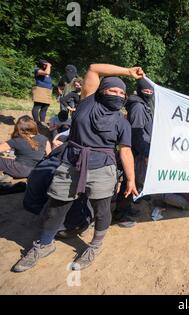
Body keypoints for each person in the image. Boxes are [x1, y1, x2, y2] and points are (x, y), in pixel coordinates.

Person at [13, 64, 143, 273]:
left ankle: (95, 246)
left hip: (103, 168)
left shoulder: (122, 122)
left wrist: (130, 180)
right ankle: (45, 245)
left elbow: (125, 151)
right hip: (71, 162)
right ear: (101, 90)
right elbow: (93, 68)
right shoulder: (87, 102)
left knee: (101, 210)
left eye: (121, 92)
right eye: (113, 90)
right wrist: (128, 72)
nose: (118, 95)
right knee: (57, 206)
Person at [114, 78, 154, 228]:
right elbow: (136, 132)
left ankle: (126, 208)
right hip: (137, 151)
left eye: (151, 91)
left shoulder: (144, 104)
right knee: (130, 181)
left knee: (133, 181)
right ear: (140, 89)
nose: (149, 93)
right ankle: (121, 213)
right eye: (146, 90)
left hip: (140, 149)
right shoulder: (138, 106)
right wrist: (144, 154)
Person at [0, 116, 51, 181]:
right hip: (36, 170)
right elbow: (49, 155)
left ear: (18, 127)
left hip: (20, 170)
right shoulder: (44, 138)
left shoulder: (16, 140)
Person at [32, 60, 53, 127]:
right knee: (37, 106)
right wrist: (49, 65)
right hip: (40, 91)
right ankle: (36, 121)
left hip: (47, 91)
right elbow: (46, 72)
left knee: (45, 107)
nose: (46, 66)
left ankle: (42, 122)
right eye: (45, 65)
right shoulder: (37, 70)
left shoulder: (47, 73)